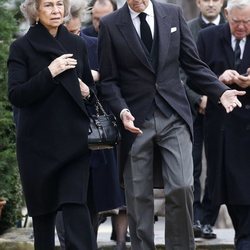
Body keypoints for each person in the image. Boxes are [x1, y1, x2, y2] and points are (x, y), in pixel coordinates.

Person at [98, 0, 245, 249]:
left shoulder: (172, 13)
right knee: (138, 196)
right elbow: (109, 80)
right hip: (134, 120)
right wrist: (122, 110)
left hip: (174, 114)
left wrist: (220, 92)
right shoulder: (111, 24)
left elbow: (193, 63)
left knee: (182, 185)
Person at [7, 0, 97, 249]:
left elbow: (92, 93)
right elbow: (16, 95)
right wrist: (50, 72)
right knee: (44, 219)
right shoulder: (21, 48)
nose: (57, 10)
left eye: (60, 4)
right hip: (37, 147)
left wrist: (88, 92)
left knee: (76, 209)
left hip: (74, 143)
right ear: (35, 11)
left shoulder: (76, 44)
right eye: (48, 5)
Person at [63, 2, 129, 250]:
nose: (75, 37)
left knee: (94, 195)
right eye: (69, 33)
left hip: (94, 130)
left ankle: (107, 239)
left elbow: (112, 79)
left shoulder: (93, 44)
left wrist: (94, 78)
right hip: (61, 131)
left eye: (77, 32)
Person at [196, 0, 250, 249]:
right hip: (221, 126)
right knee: (228, 186)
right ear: (227, 15)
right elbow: (192, 74)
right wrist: (218, 81)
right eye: (236, 21)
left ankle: (244, 239)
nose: (241, 27)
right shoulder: (207, 37)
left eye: (247, 22)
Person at [183, 0, 225, 239]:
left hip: (223, 110)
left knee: (217, 164)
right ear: (198, 3)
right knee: (193, 165)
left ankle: (208, 217)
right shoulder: (187, 28)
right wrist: (198, 98)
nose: (210, 4)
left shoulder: (234, 27)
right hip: (192, 108)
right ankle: (195, 217)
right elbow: (179, 71)